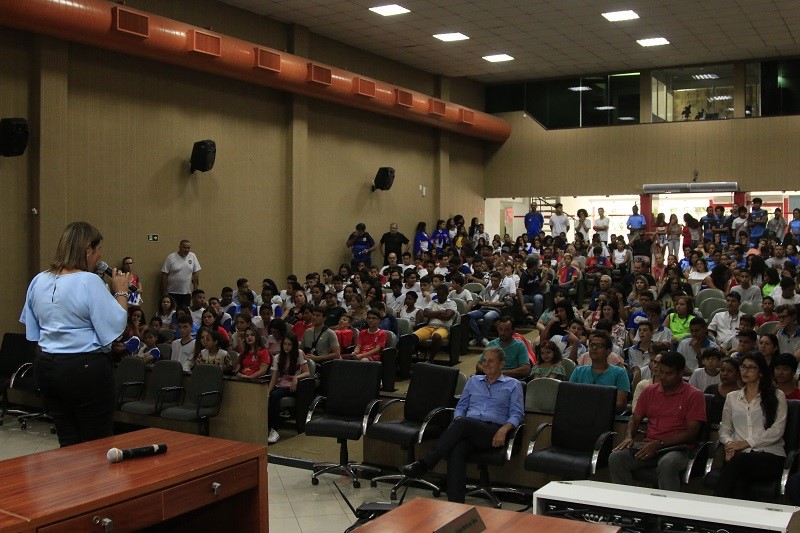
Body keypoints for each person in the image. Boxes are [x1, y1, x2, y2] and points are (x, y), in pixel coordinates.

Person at [20, 221, 132, 447]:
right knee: (96, 440)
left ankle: (71, 481)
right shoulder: (88, 281)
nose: (100, 256)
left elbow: (33, 328)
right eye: (98, 249)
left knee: (68, 438)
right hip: (85, 368)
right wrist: (121, 290)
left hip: (48, 367)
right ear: (87, 249)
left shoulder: (39, 279)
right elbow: (116, 327)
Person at [399, 346, 524, 503]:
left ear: (501, 364)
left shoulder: (513, 385)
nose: (486, 364)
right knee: (457, 449)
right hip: (467, 430)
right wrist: (457, 420)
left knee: (463, 423)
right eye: (484, 361)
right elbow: (461, 408)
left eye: (491, 361)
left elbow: (517, 414)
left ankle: (424, 464)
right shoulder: (473, 381)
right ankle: (456, 503)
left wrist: (504, 430)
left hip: (492, 432)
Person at [609, 351, 706, 491]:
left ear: (681, 373)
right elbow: (635, 419)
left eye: (669, 373)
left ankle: (665, 510)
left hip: (678, 448)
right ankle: (627, 505)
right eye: (661, 372)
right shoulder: (649, 391)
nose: (663, 377)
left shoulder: (694, 395)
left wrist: (659, 444)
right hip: (649, 445)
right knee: (616, 458)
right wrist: (629, 436)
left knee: (668, 463)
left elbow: (691, 433)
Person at [714, 353, 787, 498]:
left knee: (739, 462)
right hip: (739, 456)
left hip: (770, 455)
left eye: (751, 367)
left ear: (761, 372)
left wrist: (745, 443)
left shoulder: (777, 396)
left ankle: (715, 508)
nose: (745, 371)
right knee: (741, 478)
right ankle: (734, 518)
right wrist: (730, 444)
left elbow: (777, 430)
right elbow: (725, 428)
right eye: (743, 367)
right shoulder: (732, 397)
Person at [568, 330, 630, 412]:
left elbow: (619, 404)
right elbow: (568, 397)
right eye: (592, 345)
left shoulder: (619, 373)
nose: (594, 348)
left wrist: (589, 404)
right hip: (579, 415)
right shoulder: (579, 371)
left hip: (606, 417)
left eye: (599, 346)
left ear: (608, 351)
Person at [266, 332, 310, 444]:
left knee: (303, 392)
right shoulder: (277, 357)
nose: (286, 346)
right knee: (273, 396)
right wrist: (267, 392)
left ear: (294, 345)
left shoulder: (299, 353)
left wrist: (296, 377)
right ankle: (274, 429)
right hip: (283, 385)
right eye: (285, 344)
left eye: (289, 344)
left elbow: (307, 373)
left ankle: (302, 426)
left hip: (297, 385)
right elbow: (274, 378)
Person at [413, 284, 457, 362]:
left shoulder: (452, 303)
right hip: (429, 327)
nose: (440, 297)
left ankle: (431, 360)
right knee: (413, 336)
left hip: (444, 328)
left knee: (436, 336)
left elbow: (447, 316)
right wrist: (440, 312)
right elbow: (425, 313)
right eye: (438, 295)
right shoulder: (433, 302)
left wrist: (432, 314)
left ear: (447, 294)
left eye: (442, 295)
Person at [161, 239, 201, 308]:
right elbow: (164, 274)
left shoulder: (192, 256)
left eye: (188, 248)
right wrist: (165, 291)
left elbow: (196, 272)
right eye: (184, 247)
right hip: (172, 292)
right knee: (173, 312)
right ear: (179, 247)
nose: (186, 250)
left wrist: (195, 288)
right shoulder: (171, 257)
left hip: (186, 293)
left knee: (184, 313)